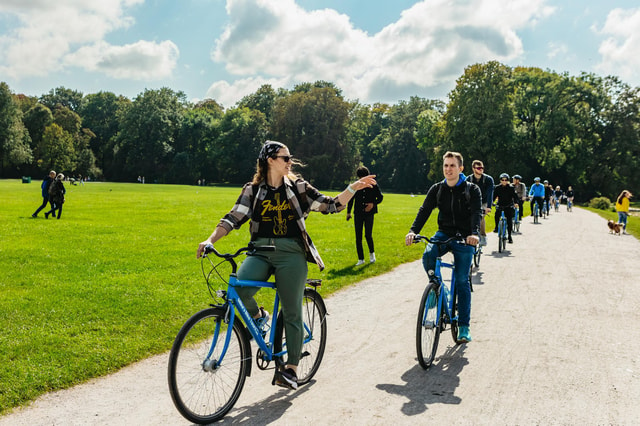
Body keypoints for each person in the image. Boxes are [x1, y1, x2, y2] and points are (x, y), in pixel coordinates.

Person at [196, 140, 376, 390]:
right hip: (260, 252)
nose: (290, 161)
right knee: (237, 290)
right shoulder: (253, 190)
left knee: (292, 310)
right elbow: (234, 217)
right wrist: (210, 239)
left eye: (290, 157)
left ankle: (290, 368)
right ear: (270, 160)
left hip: (291, 253)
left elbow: (331, 205)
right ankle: (259, 317)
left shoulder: (298, 188)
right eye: (285, 157)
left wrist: (352, 188)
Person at [405, 151, 482, 343]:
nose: (448, 169)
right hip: (444, 233)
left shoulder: (472, 190)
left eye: (452, 166)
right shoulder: (437, 189)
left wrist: (473, 233)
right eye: (446, 165)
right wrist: (413, 230)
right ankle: (438, 288)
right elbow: (424, 210)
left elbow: (476, 213)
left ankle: (464, 326)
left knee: (463, 281)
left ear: (461, 168)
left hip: (465, 237)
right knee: (429, 254)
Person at [346, 166, 384, 265]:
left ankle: (372, 254)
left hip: (369, 213)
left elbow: (380, 197)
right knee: (358, 237)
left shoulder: (374, 185)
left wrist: (373, 204)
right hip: (358, 212)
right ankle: (361, 259)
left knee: (368, 235)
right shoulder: (356, 185)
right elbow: (351, 199)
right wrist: (348, 212)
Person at [466, 160, 494, 246]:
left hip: (483, 202)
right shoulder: (469, 179)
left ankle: (483, 236)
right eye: (478, 168)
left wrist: (489, 206)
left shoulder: (488, 179)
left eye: (482, 168)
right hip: (471, 201)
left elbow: (490, 193)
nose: (481, 169)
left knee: (480, 217)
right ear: (473, 169)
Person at [492, 173, 519, 243]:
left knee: (509, 220)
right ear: (500, 180)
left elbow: (515, 196)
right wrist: (491, 203)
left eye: (505, 180)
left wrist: (516, 203)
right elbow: (493, 197)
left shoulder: (511, 188)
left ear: (507, 180)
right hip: (500, 205)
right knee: (497, 214)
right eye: (502, 180)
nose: (504, 181)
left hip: (508, 205)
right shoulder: (497, 188)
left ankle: (509, 236)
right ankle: (496, 227)